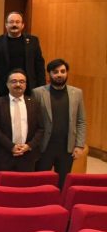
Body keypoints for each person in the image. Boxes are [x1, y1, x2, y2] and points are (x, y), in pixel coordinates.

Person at [33, 59, 87, 187]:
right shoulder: (38, 92)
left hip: (66, 148)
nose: (59, 74)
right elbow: (33, 120)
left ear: (67, 73)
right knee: (41, 181)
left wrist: (79, 145)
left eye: (63, 71)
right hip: (44, 147)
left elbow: (81, 121)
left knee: (63, 183)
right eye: (55, 72)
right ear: (49, 74)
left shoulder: (77, 93)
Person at [0, 70, 45, 172]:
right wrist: (12, 147)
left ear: (26, 85)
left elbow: (41, 128)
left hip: (27, 155)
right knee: (3, 183)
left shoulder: (35, 103)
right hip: (4, 155)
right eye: (14, 81)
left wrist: (29, 146)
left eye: (22, 81)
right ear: (7, 84)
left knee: (25, 182)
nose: (18, 84)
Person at [0, 12, 45, 96]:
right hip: (4, 87)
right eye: (11, 22)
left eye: (17, 22)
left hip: (29, 86)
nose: (14, 24)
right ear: (6, 25)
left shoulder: (33, 41)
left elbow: (39, 65)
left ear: (22, 25)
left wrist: (41, 86)